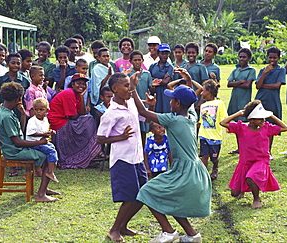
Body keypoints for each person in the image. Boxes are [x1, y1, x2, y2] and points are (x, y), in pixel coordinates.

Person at [130, 68, 211, 243]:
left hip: (184, 170)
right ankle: (192, 234)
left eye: (172, 99)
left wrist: (132, 89)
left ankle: (168, 232)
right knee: (173, 198)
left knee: (147, 192)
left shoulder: (172, 120)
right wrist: (188, 81)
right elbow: (190, 99)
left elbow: (143, 113)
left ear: (177, 103)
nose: (169, 101)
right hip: (195, 168)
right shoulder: (191, 115)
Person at [96, 72, 148, 243]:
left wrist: (151, 105)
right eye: (126, 86)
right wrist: (120, 137)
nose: (129, 89)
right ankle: (114, 230)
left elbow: (143, 115)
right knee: (130, 197)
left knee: (143, 195)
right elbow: (100, 138)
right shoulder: (111, 113)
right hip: (122, 160)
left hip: (137, 157)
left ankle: (123, 226)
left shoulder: (130, 103)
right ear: (115, 89)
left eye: (129, 85)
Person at [220, 100, 287, 209]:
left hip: (261, 162)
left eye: (263, 117)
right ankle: (244, 190)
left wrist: (272, 116)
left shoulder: (266, 127)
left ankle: (256, 198)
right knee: (234, 194)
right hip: (245, 163)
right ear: (251, 119)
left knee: (251, 177)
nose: (263, 120)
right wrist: (238, 114)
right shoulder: (241, 128)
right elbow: (223, 123)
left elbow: (285, 128)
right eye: (260, 118)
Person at [0, 81, 59, 202]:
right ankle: (41, 194)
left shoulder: (5, 111)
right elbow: (18, 142)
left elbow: (19, 132)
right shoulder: (7, 116)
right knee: (47, 155)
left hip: (15, 147)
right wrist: (39, 143)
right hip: (14, 151)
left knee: (49, 152)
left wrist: (23, 115)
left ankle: (44, 189)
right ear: (18, 98)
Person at [0, 52, 31, 177]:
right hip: (5, 113)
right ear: (7, 64)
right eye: (13, 63)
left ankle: (13, 167)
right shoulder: (0, 79)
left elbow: (29, 95)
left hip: (19, 112)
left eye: (18, 63)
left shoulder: (25, 80)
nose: (16, 65)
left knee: (17, 137)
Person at [48, 73, 101, 169]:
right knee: (87, 121)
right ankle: (78, 158)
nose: (81, 86)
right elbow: (73, 116)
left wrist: (81, 96)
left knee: (88, 119)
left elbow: (82, 112)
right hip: (58, 123)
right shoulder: (69, 93)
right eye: (78, 83)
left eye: (83, 84)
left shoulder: (77, 94)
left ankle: (86, 157)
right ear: (72, 84)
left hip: (65, 120)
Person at [255, 46, 286, 156]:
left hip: (273, 101)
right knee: (258, 125)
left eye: (275, 58)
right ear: (267, 57)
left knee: (270, 126)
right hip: (261, 100)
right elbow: (258, 86)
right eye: (270, 58)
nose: (272, 60)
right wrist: (264, 74)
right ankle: (259, 150)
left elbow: (276, 86)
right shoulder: (263, 70)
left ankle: (268, 151)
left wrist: (263, 85)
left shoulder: (281, 70)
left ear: (279, 58)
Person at [227, 48, 256, 154]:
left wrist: (237, 82)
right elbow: (229, 84)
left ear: (249, 58)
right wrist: (241, 82)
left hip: (244, 100)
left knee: (245, 124)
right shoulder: (235, 70)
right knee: (237, 125)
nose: (241, 59)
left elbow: (248, 85)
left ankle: (246, 148)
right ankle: (239, 148)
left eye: (244, 57)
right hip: (235, 99)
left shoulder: (251, 70)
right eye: (240, 57)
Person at [198, 79, 227, 180]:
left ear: (208, 91)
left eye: (203, 90)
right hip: (204, 135)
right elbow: (202, 120)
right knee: (204, 156)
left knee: (214, 157)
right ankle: (204, 176)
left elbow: (224, 118)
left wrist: (228, 127)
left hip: (215, 136)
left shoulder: (220, 103)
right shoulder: (203, 105)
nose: (201, 93)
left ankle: (215, 167)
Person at [26, 98, 59, 183]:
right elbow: (31, 133)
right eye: (36, 110)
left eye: (41, 109)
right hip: (34, 142)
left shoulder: (45, 120)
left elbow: (44, 131)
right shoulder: (32, 120)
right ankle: (50, 172)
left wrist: (49, 132)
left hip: (42, 141)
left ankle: (43, 170)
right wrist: (43, 134)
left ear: (47, 110)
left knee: (53, 148)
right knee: (51, 151)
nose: (38, 112)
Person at [128, 50, 152, 146]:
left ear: (142, 60)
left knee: (143, 129)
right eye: (135, 60)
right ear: (131, 61)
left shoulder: (147, 74)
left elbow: (150, 88)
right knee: (133, 127)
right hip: (132, 103)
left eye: (139, 60)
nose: (137, 62)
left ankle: (142, 150)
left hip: (144, 103)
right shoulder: (129, 73)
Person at [149, 44, 174, 113]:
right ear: (158, 53)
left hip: (165, 93)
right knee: (154, 112)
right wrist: (161, 79)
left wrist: (155, 80)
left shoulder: (169, 67)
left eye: (166, 54)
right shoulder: (153, 66)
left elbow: (166, 82)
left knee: (166, 111)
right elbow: (149, 80)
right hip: (154, 92)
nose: (164, 56)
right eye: (162, 53)